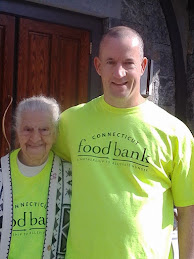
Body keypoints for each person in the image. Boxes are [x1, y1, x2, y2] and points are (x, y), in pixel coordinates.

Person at [53, 26, 194, 259]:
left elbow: (189, 209)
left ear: (143, 66)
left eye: (128, 63)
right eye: (110, 62)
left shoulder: (174, 133)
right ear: (98, 66)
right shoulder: (71, 122)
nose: (119, 73)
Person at [0, 96, 72, 259]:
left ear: (55, 134)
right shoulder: (1, 173)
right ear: (17, 131)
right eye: (27, 129)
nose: (35, 138)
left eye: (44, 129)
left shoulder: (71, 177)